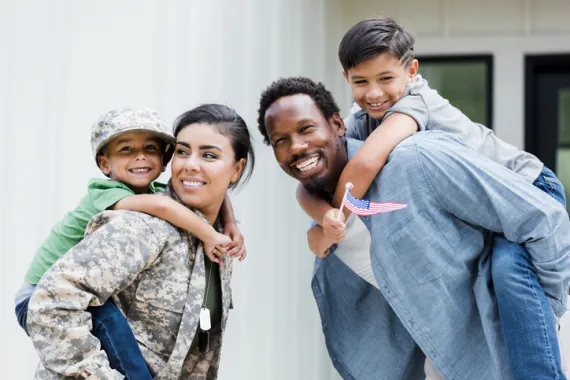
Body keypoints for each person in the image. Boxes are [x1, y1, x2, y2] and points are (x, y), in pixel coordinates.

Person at [293, 17, 568, 379]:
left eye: (385, 79)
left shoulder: (415, 102)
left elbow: (367, 163)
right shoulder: (360, 119)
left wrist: (333, 220)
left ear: (411, 71)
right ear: (346, 78)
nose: (374, 93)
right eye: (361, 82)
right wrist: (320, 217)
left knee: (508, 271)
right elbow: (309, 184)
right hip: (475, 215)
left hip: (525, 187)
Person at [27, 103, 255, 379]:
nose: (191, 165)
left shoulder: (217, 239)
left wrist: (228, 225)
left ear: (236, 170)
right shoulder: (141, 225)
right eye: (183, 152)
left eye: (209, 155)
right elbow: (52, 304)